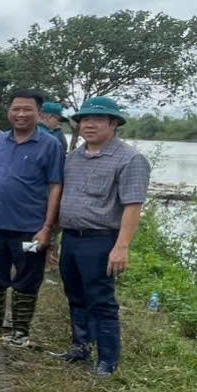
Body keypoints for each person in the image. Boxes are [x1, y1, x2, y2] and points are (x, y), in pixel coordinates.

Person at [50, 97, 149, 377]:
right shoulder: (74, 158)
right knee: (75, 294)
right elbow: (62, 200)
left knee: (101, 300)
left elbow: (132, 206)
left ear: (114, 124)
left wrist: (122, 246)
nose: (89, 125)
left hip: (100, 240)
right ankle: (81, 346)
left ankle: (108, 359)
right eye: (84, 120)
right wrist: (55, 238)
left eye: (97, 120)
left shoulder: (130, 159)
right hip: (71, 237)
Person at [0, 89, 66, 347]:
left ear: (39, 113)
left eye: (27, 109)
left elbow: (55, 187)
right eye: (16, 108)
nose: (21, 114)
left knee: (27, 280)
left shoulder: (50, 145)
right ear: (9, 112)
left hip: (30, 230)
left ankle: (20, 333)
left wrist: (47, 228)